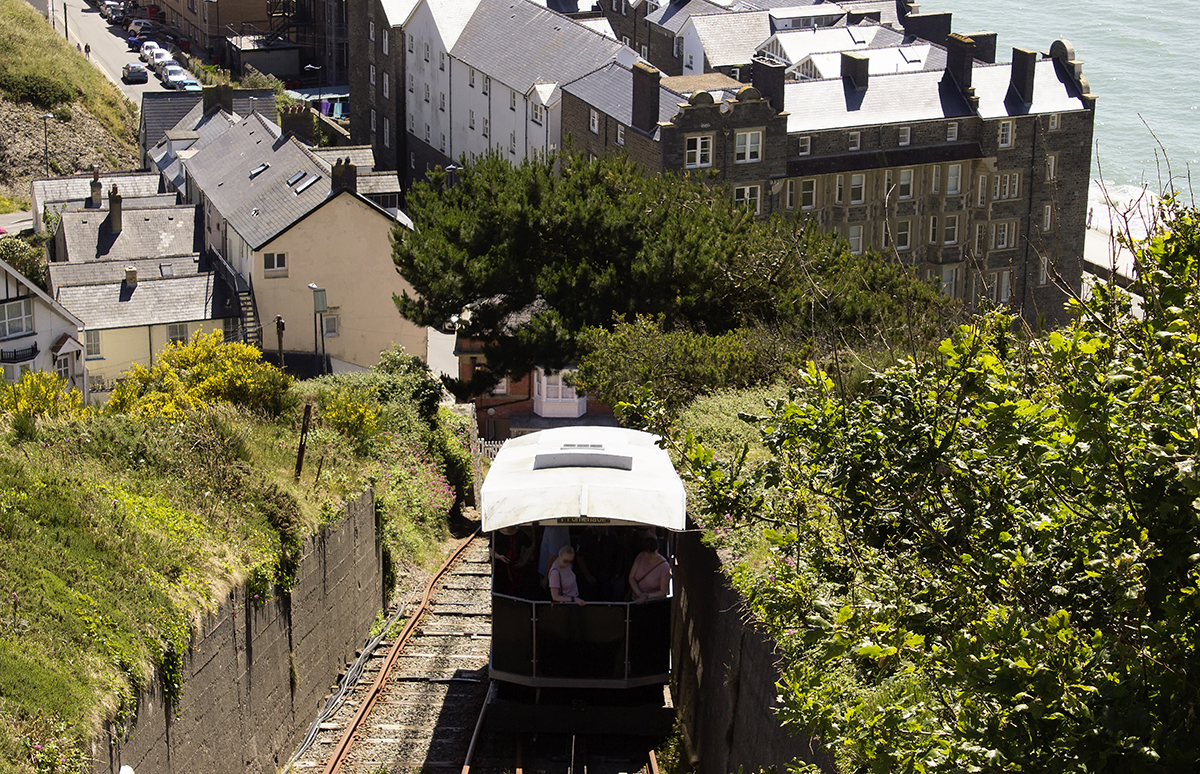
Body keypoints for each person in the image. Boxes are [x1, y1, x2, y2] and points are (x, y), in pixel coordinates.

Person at [491, 525, 534, 596]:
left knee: (516, 590)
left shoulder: (519, 534)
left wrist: (524, 561)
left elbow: (531, 545)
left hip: (516, 568)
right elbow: (490, 549)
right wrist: (499, 557)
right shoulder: (497, 534)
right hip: (501, 569)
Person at [629, 537, 671, 603]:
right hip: (635, 600)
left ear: (657, 549)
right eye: (648, 552)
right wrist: (639, 594)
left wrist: (647, 596)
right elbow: (631, 577)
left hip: (653, 603)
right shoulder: (640, 557)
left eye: (653, 552)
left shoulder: (664, 566)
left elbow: (663, 591)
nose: (650, 555)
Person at [537, 524, 570, 588]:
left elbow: (553, 556)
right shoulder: (549, 526)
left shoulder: (557, 530)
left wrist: (546, 578)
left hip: (553, 577)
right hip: (548, 573)